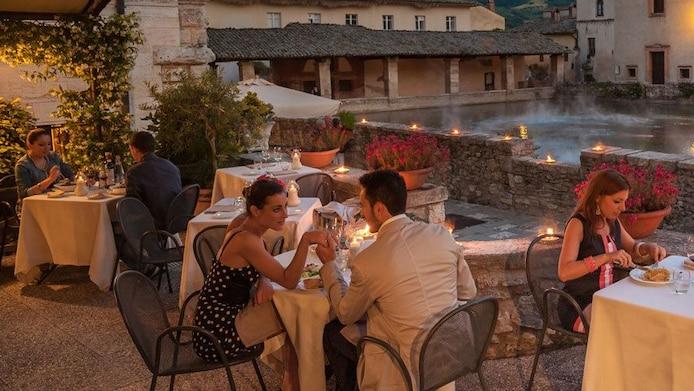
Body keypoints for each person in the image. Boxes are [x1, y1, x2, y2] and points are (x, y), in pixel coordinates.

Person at [320, 169, 477, 390]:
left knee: (332, 332)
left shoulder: (369, 260)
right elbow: (468, 292)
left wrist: (329, 267)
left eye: (363, 206)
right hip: (448, 354)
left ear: (379, 209)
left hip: (404, 365)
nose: (361, 213)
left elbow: (346, 314)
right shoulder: (441, 236)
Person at [192, 177, 336, 391]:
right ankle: (305, 380)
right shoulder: (246, 239)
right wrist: (305, 241)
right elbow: (289, 280)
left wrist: (263, 278)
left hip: (208, 319)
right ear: (256, 210)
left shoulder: (241, 222)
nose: (285, 214)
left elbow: (246, 266)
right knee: (296, 314)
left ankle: (292, 382)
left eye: (286, 206)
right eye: (277, 209)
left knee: (292, 311)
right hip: (217, 333)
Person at [556, 169, 668, 333]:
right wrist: (606, 257)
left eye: (624, 201)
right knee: (625, 327)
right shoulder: (578, 224)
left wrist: (647, 248)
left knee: (651, 313)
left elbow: (633, 247)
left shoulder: (612, 222)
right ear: (597, 197)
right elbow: (564, 272)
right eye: (617, 201)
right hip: (581, 304)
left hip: (611, 297)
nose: (623, 208)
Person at [124, 131, 182, 229]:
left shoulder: (134, 172)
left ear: (134, 149)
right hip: (175, 219)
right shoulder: (172, 167)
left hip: (153, 224)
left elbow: (131, 205)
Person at [14, 128, 74, 199]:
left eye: (49, 144)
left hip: (56, 200)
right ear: (30, 145)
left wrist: (82, 181)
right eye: (41, 145)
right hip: (34, 205)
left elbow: (70, 175)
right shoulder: (23, 165)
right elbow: (24, 194)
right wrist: (50, 179)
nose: (47, 148)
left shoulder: (53, 157)